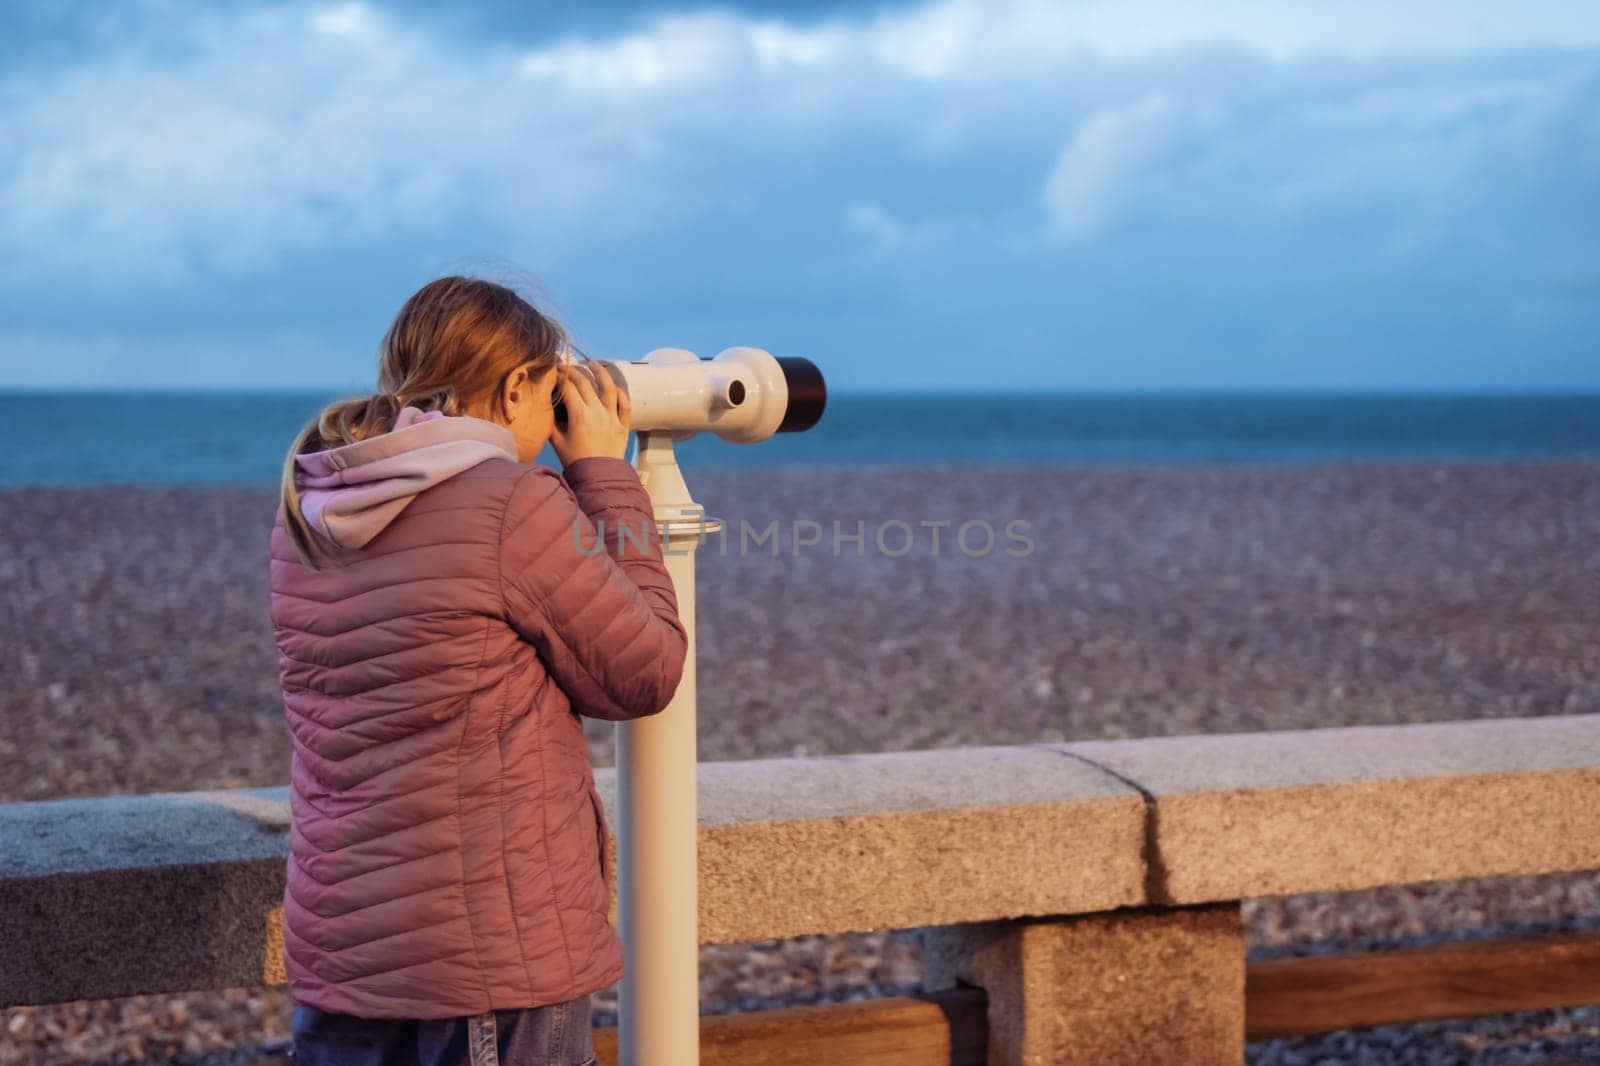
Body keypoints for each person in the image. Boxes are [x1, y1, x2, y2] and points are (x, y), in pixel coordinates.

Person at [270, 275, 688, 1065]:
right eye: (550, 385)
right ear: (520, 386)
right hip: (488, 969)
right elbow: (643, 671)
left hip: (342, 950)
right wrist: (603, 474)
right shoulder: (510, 500)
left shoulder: (313, 504)